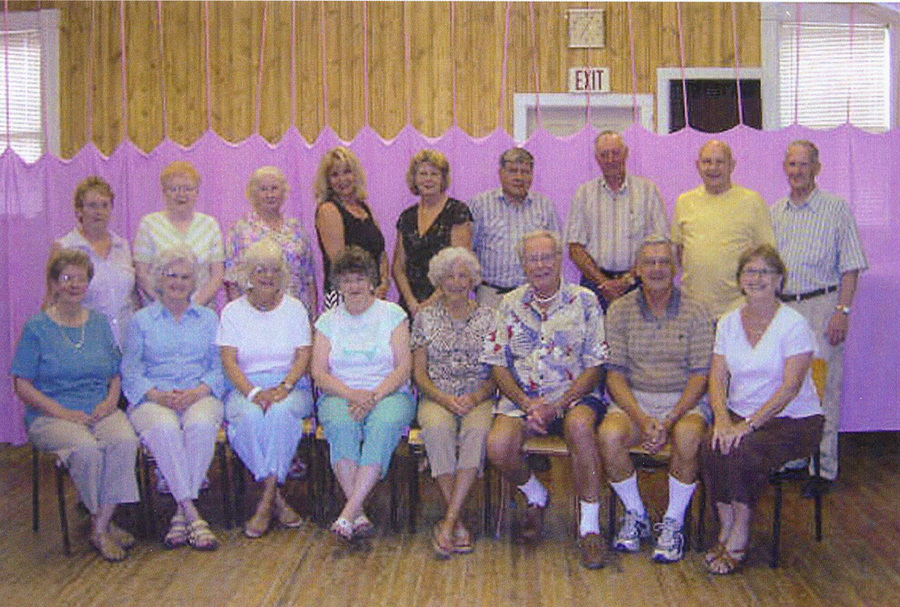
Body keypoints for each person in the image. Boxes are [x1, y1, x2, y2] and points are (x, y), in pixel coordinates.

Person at [483, 230, 609, 570]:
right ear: (523, 264)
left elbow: (595, 365)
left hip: (574, 396)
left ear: (559, 260)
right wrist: (527, 404)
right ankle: (536, 495)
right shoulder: (507, 304)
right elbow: (497, 364)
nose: (540, 265)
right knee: (497, 446)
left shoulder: (585, 300)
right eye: (532, 259)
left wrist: (559, 404)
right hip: (523, 399)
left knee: (580, 428)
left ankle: (589, 528)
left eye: (546, 257)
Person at [701, 245, 824, 575]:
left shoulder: (794, 324)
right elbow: (717, 377)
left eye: (765, 272)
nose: (756, 279)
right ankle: (726, 526)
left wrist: (748, 425)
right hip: (739, 413)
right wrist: (722, 419)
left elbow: (790, 388)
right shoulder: (728, 322)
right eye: (750, 272)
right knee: (710, 444)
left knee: (743, 449)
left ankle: (740, 533)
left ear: (779, 280)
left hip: (793, 419)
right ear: (740, 279)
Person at [11, 248, 139, 562]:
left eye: (80, 279)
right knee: (86, 450)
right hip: (50, 415)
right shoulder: (37, 328)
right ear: (54, 284)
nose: (74, 285)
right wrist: (63, 413)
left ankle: (101, 524)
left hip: (98, 409)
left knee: (125, 440)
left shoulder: (98, 323)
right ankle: (102, 526)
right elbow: (22, 384)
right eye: (67, 278)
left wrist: (110, 402)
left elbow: (115, 373)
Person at [599, 235, 714, 564]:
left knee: (688, 436)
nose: (657, 269)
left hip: (684, 402)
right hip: (635, 400)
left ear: (675, 268)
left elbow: (700, 376)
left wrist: (669, 420)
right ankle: (636, 514)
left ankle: (673, 523)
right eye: (649, 262)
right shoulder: (619, 310)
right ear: (636, 270)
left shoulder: (697, 311)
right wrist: (641, 418)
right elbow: (614, 374)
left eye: (664, 262)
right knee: (609, 435)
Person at [771, 140, 867, 494]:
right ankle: (793, 459)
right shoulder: (774, 212)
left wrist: (842, 311)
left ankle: (822, 468)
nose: (797, 171)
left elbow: (851, 266)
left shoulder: (836, 209)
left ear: (817, 168)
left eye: (804, 164)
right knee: (787, 386)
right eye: (792, 164)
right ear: (785, 168)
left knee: (824, 387)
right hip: (784, 310)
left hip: (823, 306)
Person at [121, 245, 226, 551]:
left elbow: (219, 368)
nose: (178, 282)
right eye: (171, 276)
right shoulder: (141, 321)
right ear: (159, 279)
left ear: (194, 282)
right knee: (164, 429)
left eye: (185, 277)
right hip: (153, 397)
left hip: (199, 393)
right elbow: (130, 371)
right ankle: (192, 513)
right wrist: (156, 395)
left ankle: (180, 515)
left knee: (201, 425)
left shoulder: (209, 319)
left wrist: (197, 392)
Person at [312, 246, 415, 543]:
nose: (354, 286)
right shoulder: (327, 321)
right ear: (337, 285)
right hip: (339, 394)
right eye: (346, 280)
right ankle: (357, 514)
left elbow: (404, 367)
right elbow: (319, 373)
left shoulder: (393, 314)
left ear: (372, 281)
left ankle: (348, 512)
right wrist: (351, 394)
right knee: (340, 425)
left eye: (359, 278)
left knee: (382, 425)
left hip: (389, 394)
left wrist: (373, 396)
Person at [216, 239, 314, 538]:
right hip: (244, 386)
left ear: (282, 274)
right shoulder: (232, 312)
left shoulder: (295, 308)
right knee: (248, 418)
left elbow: (304, 354)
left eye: (274, 269)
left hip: (291, 385)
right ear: (248, 273)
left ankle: (265, 502)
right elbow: (228, 361)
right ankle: (277, 500)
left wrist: (285, 386)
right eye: (260, 269)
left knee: (280, 415)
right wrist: (253, 393)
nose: (267, 276)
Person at [411, 247, 496, 557]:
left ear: (473, 280)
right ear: (438, 281)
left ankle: (448, 523)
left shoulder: (490, 317)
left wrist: (475, 397)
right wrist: (443, 398)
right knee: (436, 430)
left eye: (463, 276)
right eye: (449, 276)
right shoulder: (424, 317)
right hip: (438, 395)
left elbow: (498, 372)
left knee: (477, 432)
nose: (457, 283)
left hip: (478, 396)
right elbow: (419, 374)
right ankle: (456, 521)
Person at [565, 131, 669, 312]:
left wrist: (627, 280)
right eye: (604, 154)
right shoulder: (584, 194)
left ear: (626, 153)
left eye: (616, 153)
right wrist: (604, 283)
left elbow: (660, 244)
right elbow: (575, 248)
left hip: (639, 284)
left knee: (638, 331)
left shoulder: (648, 191)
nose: (611, 159)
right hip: (595, 285)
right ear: (597, 159)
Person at [672, 140, 774, 318]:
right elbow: (680, 253)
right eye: (707, 162)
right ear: (697, 165)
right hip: (692, 309)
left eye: (720, 162)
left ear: (732, 165)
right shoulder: (684, 202)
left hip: (738, 309)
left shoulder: (752, 202)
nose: (713, 168)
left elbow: (766, 256)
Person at [468, 147, 559, 308]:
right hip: (491, 296)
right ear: (501, 173)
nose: (519, 177)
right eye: (513, 171)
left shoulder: (545, 206)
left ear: (532, 175)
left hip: (533, 295)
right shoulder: (480, 205)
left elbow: (555, 254)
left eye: (525, 172)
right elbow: (468, 250)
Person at [225, 166, 318, 320]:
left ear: (283, 193)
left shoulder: (296, 228)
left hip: (294, 315)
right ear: (253, 194)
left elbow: (309, 279)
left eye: (274, 188)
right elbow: (232, 280)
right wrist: (239, 317)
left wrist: (312, 318)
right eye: (263, 189)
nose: (270, 195)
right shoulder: (240, 230)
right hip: (254, 315)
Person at [52, 176, 136, 347]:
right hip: (86, 344)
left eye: (105, 205)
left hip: (127, 343)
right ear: (79, 210)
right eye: (92, 205)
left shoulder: (123, 246)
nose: (99, 211)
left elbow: (133, 296)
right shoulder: (65, 248)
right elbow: (53, 299)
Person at [133, 161, 224, 307]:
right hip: (160, 311)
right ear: (164, 192)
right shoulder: (149, 224)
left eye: (188, 189)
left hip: (201, 311)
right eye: (174, 189)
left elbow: (217, 276)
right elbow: (142, 274)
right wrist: (168, 306)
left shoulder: (210, 225)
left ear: (197, 193)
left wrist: (192, 307)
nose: (181, 194)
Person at [393, 149, 473, 315]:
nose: (428, 179)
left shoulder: (457, 212)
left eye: (434, 174)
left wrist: (428, 304)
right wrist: (411, 303)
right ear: (414, 179)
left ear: (443, 179)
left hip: (447, 302)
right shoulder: (407, 217)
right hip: (411, 306)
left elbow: (460, 265)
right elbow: (398, 266)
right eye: (423, 174)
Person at [314, 146, 389, 310]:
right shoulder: (328, 210)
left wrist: (383, 283)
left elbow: (381, 252)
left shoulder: (364, 208)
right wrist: (366, 291)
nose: (342, 179)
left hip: (373, 294)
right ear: (327, 181)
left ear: (356, 174)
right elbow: (341, 262)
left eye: (347, 172)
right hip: (346, 296)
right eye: (335, 175)